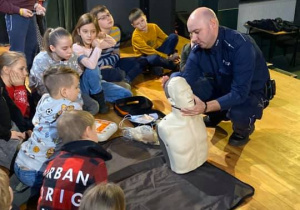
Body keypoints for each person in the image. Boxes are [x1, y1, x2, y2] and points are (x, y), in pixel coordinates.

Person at [163, 7, 270, 146]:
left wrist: (206, 107)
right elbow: (186, 79)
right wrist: (171, 84)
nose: (193, 39)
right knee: (179, 81)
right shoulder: (198, 47)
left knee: (239, 112)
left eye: (197, 32)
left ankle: (243, 129)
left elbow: (239, 93)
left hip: (250, 92)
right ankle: (218, 113)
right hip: (223, 84)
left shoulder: (241, 46)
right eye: (191, 34)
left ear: (213, 24)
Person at [14, 66, 82, 188]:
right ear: (64, 92)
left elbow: (36, 121)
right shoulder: (73, 108)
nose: (78, 90)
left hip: (20, 162)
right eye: (76, 87)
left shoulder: (45, 98)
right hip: (37, 173)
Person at [37, 110, 112, 210]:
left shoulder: (53, 162)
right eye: (95, 129)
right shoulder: (96, 164)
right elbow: (101, 200)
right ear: (88, 131)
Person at [29, 27, 99, 115]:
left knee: (94, 106)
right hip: (49, 96)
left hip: (69, 92)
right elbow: (43, 90)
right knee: (60, 115)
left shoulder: (73, 56)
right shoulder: (41, 60)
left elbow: (75, 83)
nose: (70, 51)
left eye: (71, 46)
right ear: (52, 48)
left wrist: (77, 104)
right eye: (65, 48)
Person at [72, 13, 132, 113]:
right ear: (79, 31)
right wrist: (98, 47)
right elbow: (90, 65)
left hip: (97, 83)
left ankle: (97, 96)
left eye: (93, 31)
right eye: (85, 31)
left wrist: (102, 35)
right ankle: (100, 101)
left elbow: (112, 42)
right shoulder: (76, 47)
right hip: (82, 86)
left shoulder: (93, 43)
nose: (89, 35)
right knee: (93, 68)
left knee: (127, 94)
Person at [157, 77, 207, 174]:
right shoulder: (166, 127)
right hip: (183, 175)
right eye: (182, 93)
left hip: (204, 165)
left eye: (189, 90)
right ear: (171, 101)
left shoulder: (199, 118)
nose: (189, 95)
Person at [90, 5, 148, 84]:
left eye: (108, 14)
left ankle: (127, 79)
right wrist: (114, 58)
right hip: (100, 69)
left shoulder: (116, 30)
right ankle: (122, 76)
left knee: (142, 60)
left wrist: (114, 58)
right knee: (114, 74)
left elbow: (117, 53)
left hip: (114, 64)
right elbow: (98, 63)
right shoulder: (94, 37)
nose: (108, 18)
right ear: (96, 22)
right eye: (103, 18)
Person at [0, 52, 32, 174]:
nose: (25, 73)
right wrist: (19, 89)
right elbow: (20, 112)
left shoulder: (11, 85)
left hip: (15, 128)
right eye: (21, 68)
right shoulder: (13, 86)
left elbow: (18, 114)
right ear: (6, 70)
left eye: (26, 68)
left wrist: (27, 128)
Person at [129, 8, 179, 76]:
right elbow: (149, 51)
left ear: (145, 17)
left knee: (173, 37)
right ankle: (174, 66)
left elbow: (165, 38)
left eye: (142, 20)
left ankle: (158, 64)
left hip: (156, 51)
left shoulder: (153, 26)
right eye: (137, 24)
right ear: (133, 25)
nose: (142, 24)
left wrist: (173, 52)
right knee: (154, 59)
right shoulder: (136, 36)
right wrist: (167, 57)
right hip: (145, 56)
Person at [3, 0, 46, 70]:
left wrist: (36, 5)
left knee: (32, 52)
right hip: (15, 16)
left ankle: (31, 80)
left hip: (30, 14)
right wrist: (19, 11)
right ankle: (17, 80)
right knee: (18, 55)